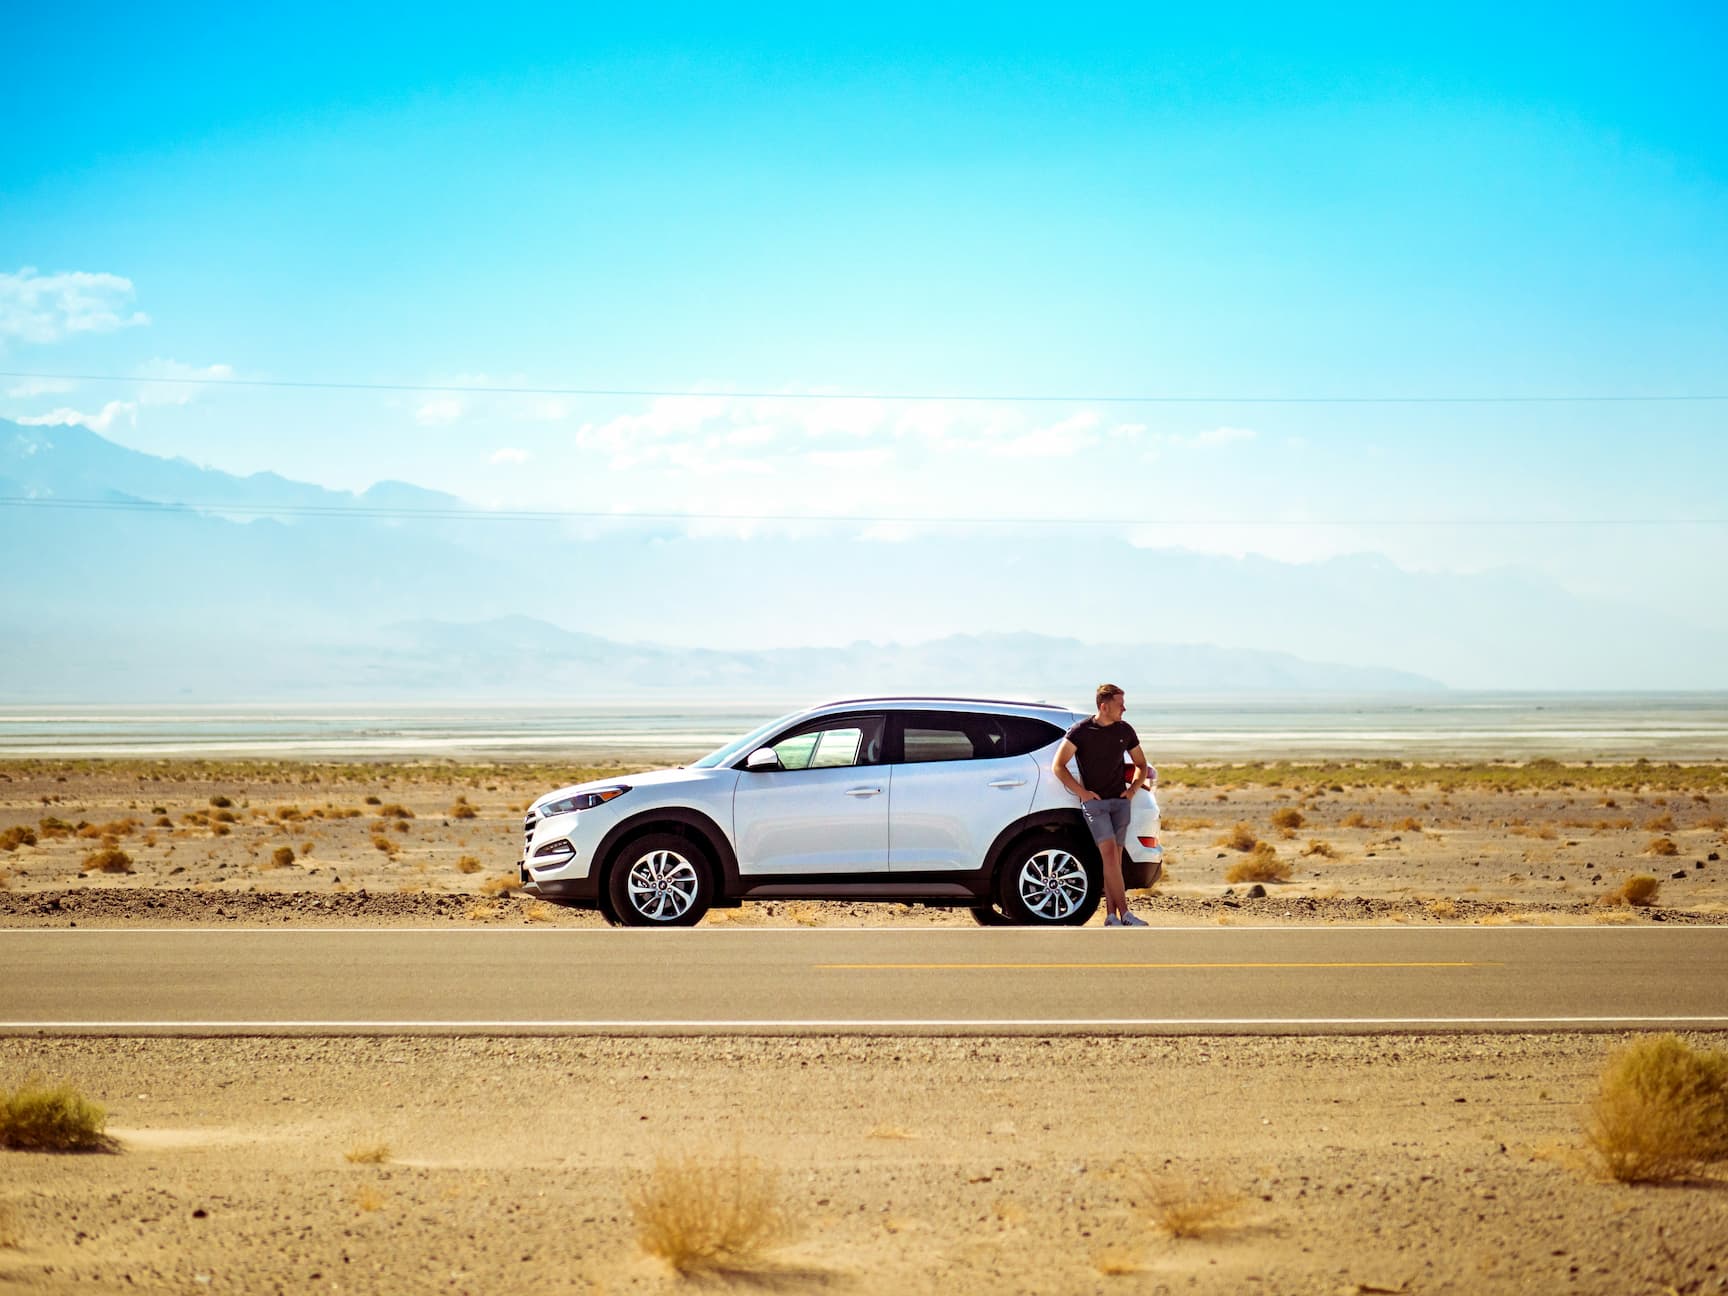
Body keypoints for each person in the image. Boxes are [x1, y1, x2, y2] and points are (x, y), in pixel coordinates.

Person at [1052, 683, 1152, 927]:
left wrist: (1131, 792)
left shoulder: (1125, 730)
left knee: (1115, 860)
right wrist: (1083, 793)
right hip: (1095, 806)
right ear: (1104, 706)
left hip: (1120, 803)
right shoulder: (1080, 731)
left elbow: (1142, 764)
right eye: (1120, 705)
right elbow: (1058, 765)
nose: (1124, 709)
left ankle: (1111, 916)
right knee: (1108, 856)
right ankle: (1126, 914)